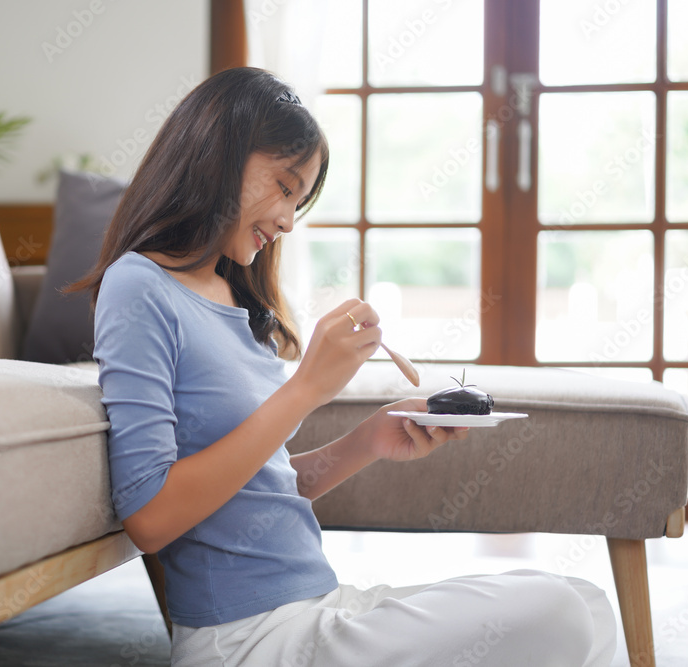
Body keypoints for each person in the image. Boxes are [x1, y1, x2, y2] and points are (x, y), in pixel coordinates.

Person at [73, 67, 616, 666]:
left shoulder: (232, 297)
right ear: (217, 153)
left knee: (585, 602)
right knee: (553, 609)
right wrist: (305, 388)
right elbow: (150, 517)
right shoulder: (140, 287)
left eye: (298, 203)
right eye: (284, 187)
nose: (286, 221)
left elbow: (261, 488)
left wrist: (367, 441)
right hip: (245, 638)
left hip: (318, 605)